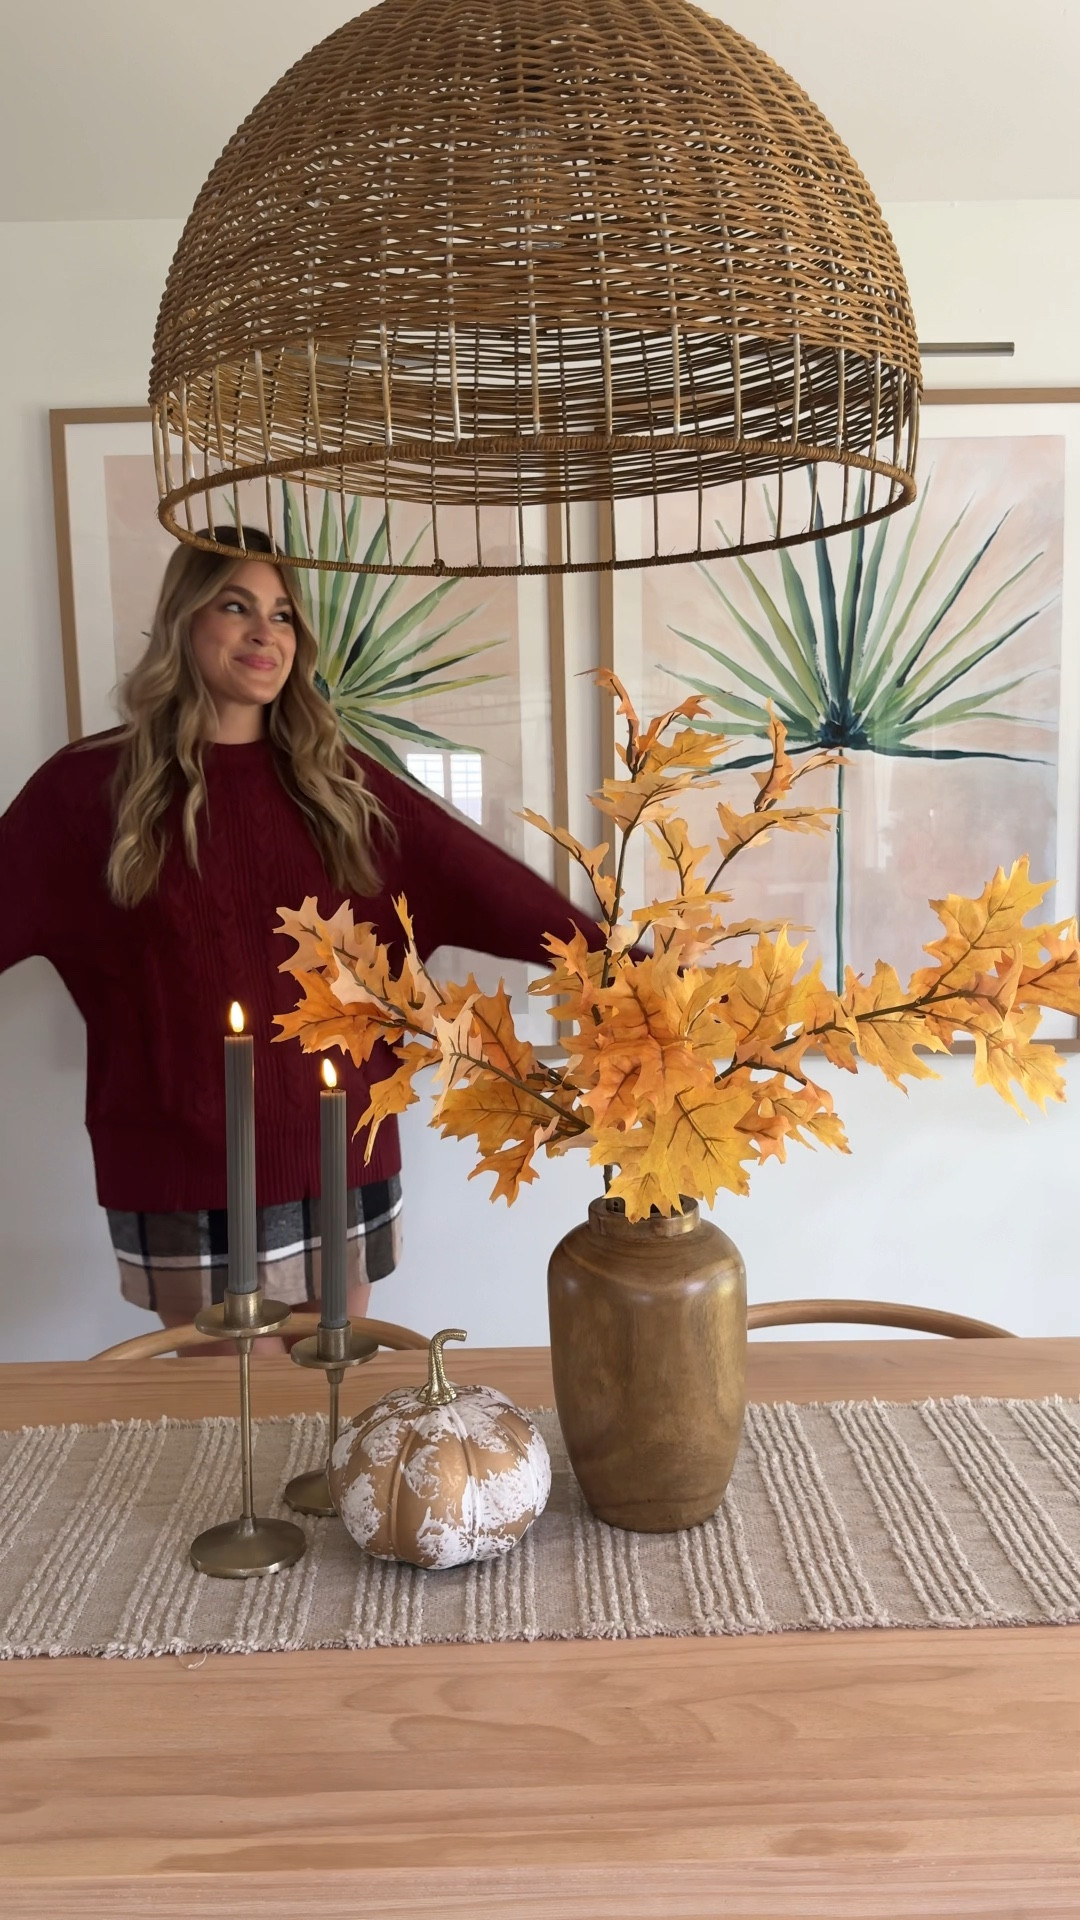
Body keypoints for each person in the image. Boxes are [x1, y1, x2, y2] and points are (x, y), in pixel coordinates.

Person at [0, 526, 601, 1347]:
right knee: (227, 1411)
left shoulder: (339, 784)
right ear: (184, 618)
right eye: (236, 605)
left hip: (335, 1139)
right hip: (180, 1158)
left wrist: (621, 968)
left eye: (283, 615)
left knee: (332, 1395)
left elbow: (484, 885)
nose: (265, 633)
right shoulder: (86, 791)